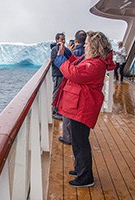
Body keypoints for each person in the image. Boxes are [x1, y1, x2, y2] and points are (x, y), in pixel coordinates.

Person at [53, 31, 115, 187]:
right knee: (77, 140)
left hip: (82, 107)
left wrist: (60, 59)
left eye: (87, 43)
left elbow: (74, 73)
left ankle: (85, 177)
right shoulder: (92, 60)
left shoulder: (95, 64)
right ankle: (80, 169)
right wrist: (66, 52)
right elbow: (75, 61)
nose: (85, 45)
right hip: (80, 106)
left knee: (80, 143)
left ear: (94, 46)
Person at [58, 30, 87, 145]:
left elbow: (72, 71)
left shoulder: (82, 56)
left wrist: (61, 57)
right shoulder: (87, 56)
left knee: (68, 115)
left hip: (74, 91)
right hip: (79, 92)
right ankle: (72, 137)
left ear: (76, 40)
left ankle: (68, 137)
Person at [50, 33, 65, 120]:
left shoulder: (61, 49)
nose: (63, 41)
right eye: (61, 39)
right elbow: (53, 61)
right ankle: (54, 112)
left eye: (64, 39)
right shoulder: (55, 50)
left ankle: (58, 110)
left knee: (59, 92)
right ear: (56, 40)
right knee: (56, 92)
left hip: (61, 74)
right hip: (57, 74)